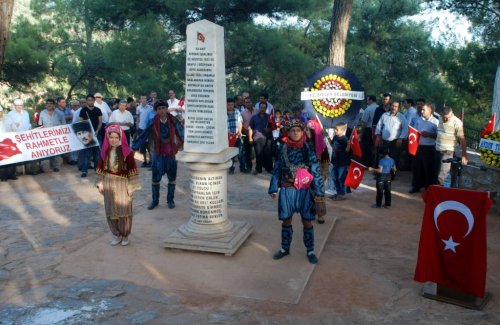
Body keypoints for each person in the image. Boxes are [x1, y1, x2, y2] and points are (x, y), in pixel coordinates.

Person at [268, 119, 324, 264]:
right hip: (287, 189)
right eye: (292, 130)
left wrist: (319, 192)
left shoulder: (308, 148)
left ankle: (310, 250)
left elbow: (316, 171)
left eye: (298, 130)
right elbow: (277, 169)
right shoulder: (282, 148)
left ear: (302, 131)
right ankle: (285, 248)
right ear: (289, 132)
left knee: (307, 221)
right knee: (286, 220)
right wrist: (274, 188)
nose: (295, 133)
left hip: (305, 191)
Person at [96, 125, 140, 246]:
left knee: (124, 210)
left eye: (116, 137)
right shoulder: (104, 151)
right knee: (111, 210)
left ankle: (125, 234)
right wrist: (100, 183)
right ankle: (117, 234)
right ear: (107, 137)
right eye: (111, 137)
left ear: (120, 138)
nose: (114, 140)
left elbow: (133, 169)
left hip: (122, 184)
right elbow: (100, 168)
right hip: (108, 183)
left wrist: (131, 187)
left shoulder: (127, 152)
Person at [147, 101, 183, 210]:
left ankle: (170, 200)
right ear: (156, 111)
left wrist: (184, 143)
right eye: (159, 109)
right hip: (158, 154)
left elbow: (181, 132)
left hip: (171, 153)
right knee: (155, 178)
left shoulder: (173, 120)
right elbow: (143, 134)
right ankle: (155, 201)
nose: (162, 111)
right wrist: (134, 147)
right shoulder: (152, 122)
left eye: (163, 108)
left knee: (172, 178)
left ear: (167, 108)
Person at [409, 103, 439, 193]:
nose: (422, 111)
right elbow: (414, 132)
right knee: (417, 167)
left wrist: (429, 134)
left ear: (430, 110)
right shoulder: (418, 120)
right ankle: (416, 186)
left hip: (429, 148)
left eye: (424, 110)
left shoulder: (435, 122)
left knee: (428, 169)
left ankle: (428, 188)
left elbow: (439, 136)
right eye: (421, 110)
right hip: (418, 147)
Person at [435, 106, 468, 185]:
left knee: (442, 174)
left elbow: (462, 139)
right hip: (437, 149)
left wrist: (464, 154)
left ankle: (440, 192)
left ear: (452, 114)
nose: (446, 119)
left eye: (448, 118)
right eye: (444, 117)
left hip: (448, 151)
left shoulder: (457, 122)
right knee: (435, 171)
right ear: (441, 114)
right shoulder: (439, 118)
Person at [374, 101, 407, 170]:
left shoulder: (402, 117)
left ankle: (392, 174)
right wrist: (378, 136)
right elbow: (379, 126)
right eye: (392, 106)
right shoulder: (384, 115)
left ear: (398, 108)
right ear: (390, 106)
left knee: (394, 158)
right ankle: (380, 173)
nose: (393, 108)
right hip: (384, 141)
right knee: (381, 157)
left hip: (395, 142)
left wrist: (400, 139)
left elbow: (405, 129)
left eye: (395, 106)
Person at [38, 98, 66, 172]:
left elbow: (64, 125)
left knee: (57, 152)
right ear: (45, 105)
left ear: (54, 105)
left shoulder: (60, 113)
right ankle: (45, 167)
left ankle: (56, 166)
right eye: (47, 104)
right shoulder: (42, 113)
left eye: (51, 103)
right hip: (46, 136)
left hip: (57, 136)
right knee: (46, 151)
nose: (49, 105)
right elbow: (40, 125)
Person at [79, 94, 102, 178]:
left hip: (96, 134)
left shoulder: (98, 110)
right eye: (88, 100)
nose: (90, 101)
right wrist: (86, 132)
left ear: (94, 101)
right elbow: (80, 123)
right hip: (86, 136)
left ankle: (97, 169)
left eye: (91, 100)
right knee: (86, 154)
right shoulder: (83, 111)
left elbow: (100, 123)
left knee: (96, 154)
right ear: (86, 101)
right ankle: (84, 170)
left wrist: (97, 131)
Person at [248, 102, 273, 175]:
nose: (262, 109)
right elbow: (250, 128)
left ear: (266, 108)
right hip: (258, 138)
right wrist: (250, 138)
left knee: (268, 154)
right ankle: (258, 169)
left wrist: (269, 129)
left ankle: (270, 169)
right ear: (259, 108)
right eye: (261, 107)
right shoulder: (254, 117)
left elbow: (273, 127)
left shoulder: (269, 117)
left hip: (268, 137)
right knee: (258, 154)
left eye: (264, 108)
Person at [226, 97, 247, 174]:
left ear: (234, 104)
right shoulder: (223, 113)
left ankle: (242, 168)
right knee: (230, 153)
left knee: (241, 152)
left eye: (232, 104)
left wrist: (240, 131)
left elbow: (240, 122)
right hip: (228, 136)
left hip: (237, 135)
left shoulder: (237, 112)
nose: (230, 106)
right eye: (228, 105)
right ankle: (231, 168)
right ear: (226, 105)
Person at [330, 122, 349, 201]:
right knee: (334, 177)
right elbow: (332, 145)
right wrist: (327, 137)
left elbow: (347, 150)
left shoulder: (344, 139)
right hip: (335, 160)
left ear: (342, 130)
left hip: (342, 162)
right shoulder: (335, 137)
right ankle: (338, 192)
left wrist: (349, 145)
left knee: (341, 178)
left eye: (336, 129)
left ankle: (342, 194)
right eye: (335, 129)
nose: (335, 130)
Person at [241, 97, 258, 172]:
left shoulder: (257, 111)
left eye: (249, 102)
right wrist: (247, 133)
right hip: (247, 134)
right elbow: (241, 125)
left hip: (256, 134)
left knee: (258, 151)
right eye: (246, 102)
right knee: (248, 152)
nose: (248, 103)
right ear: (245, 104)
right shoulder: (242, 113)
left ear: (252, 102)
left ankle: (258, 168)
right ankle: (249, 167)